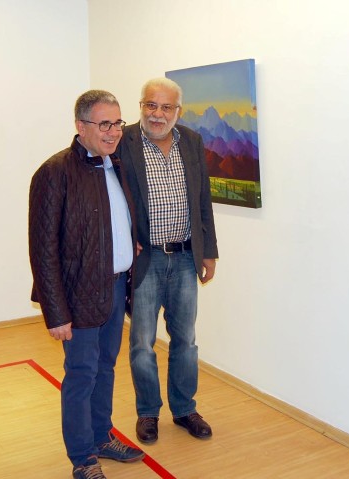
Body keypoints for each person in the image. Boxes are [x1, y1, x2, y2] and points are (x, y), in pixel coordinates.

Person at [29, 90, 144, 479]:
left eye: (118, 123)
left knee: (106, 367)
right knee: (81, 374)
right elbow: (43, 249)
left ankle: (100, 437)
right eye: (105, 124)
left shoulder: (117, 166)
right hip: (77, 293)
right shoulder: (54, 172)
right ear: (81, 127)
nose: (114, 132)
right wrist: (55, 312)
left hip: (114, 288)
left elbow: (115, 224)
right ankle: (82, 458)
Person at [117, 77, 219, 444]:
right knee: (142, 342)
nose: (157, 114)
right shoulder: (123, 142)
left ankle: (184, 408)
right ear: (141, 106)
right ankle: (148, 412)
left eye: (166, 107)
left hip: (186, 257)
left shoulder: (191, 141)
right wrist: (126, 244)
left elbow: (203, 199)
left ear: (178, 111)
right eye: (151, 105)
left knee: (186, 339)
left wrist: (209, 250)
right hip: (146, 260)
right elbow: (113, 199)